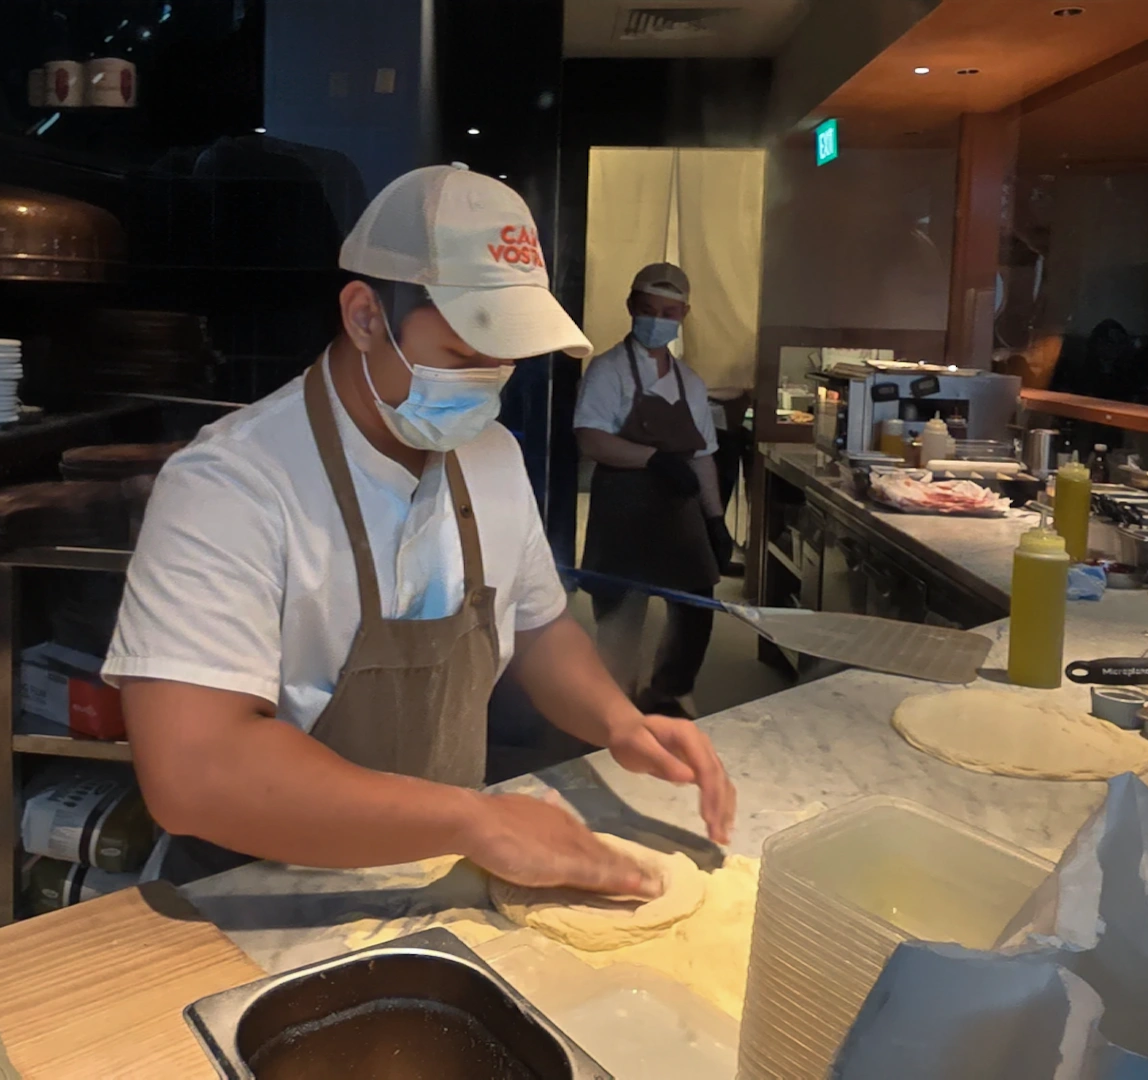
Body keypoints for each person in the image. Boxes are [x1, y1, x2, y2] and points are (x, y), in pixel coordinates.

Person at [104, 166, 735, 892]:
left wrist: (619, 721)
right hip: (253, 888)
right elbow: (195, 773)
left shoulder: (492, 455)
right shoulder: (230, 485)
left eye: (505, 358)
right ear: (365, 315)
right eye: (465, 355)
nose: (490, 377)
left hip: (432, 874)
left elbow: (536, 627)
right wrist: (475, 821)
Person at [574, 263, 734, 717]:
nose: (658, 320)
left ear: (684, 314)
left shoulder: (691, 382)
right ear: (630, 308)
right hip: (623, 505)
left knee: (695, 605)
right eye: (648, 310)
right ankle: (613, 706)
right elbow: (590, 438)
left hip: (678, 507)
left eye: (669, 312)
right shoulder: (608, 372)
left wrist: (715, 520)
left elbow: (703, 456)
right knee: (621, 613)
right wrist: (653, 459)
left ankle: (669, 693)